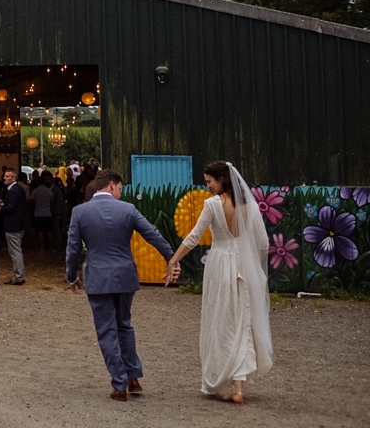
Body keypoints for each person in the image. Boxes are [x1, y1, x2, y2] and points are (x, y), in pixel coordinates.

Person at [165, 161, 272, 404]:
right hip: (244, 264)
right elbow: (264, 243)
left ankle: (223, 377)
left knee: (221, 320)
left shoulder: (213, 205)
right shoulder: (250, 206)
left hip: (220, 264)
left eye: (209, 181)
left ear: (221, 180)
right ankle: (237, 387)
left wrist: (173, 259)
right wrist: (254, 263)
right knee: (242, 319)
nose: (208, 186)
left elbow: (193, 237)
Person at [66, 169, 177, 402]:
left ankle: (119, 383)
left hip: (98, 277)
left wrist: (71, 275)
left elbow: (73, 248)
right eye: (121, 188)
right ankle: (132, 376)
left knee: (107, 329)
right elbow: (152, 234)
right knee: (124, 325)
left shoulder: (80, 212)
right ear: (112, 185)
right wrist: (171, 257)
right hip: (125, 275)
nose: (121, 192)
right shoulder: (128, 209)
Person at [0, 170, 27, 285]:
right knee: (17, 250)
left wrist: (2, 207)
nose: (4, 178)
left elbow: (11, 207)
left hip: (13, 225)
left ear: (13, 178)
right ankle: (20, 274)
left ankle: (18, 276)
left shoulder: (14, 191)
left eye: (7, 176)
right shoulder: (17, 190)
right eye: (5, 176)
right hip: (19, 223)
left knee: (15, 251)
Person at [32, 174, 55, 251]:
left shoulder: (35, 191)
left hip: (38, 213)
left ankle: (41, 248)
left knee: (40, 232)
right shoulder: (49, 191)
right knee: (49, 231)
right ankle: (51, 247)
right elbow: (52, 201)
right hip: (47, 213)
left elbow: (32, 200)